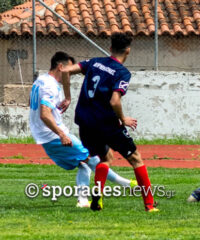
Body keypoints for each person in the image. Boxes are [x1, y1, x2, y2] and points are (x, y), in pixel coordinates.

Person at [62, 33, 158, 212]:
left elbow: (66, 70)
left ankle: (97, 199)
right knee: (136, 159)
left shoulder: (94, 62)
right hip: (107, 123)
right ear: (128, 51)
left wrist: (67, 97)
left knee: (105, 158)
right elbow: (115, 101)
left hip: (85, 122)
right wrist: (123, 119)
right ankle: (150, 205)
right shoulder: (122, 73)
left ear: (110, 48)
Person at [29, 51, 137, 208]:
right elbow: (44, 114)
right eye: (69, 69)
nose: (70, 74)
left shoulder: (40, 80)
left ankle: (83, 200)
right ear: (60, 66)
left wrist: (61, 104)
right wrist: (61, 135)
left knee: (84, 163)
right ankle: (124, 184)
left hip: (44, 135)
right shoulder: (50, 86)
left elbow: (37, 106)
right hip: (52, 135)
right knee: (93, 160)